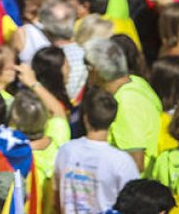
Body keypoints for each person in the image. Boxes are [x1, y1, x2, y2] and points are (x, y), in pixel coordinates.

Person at [53, 86, 138, 214]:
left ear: (85, 118)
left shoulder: (66, 150)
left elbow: (56, 196)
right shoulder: (122, 161)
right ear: (113, 119)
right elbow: (134, 204)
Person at [83, 38, 162, 172]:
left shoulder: (125, 103)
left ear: (95, 71)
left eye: (87, 67)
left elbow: (135, 163)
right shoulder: (136, 82)